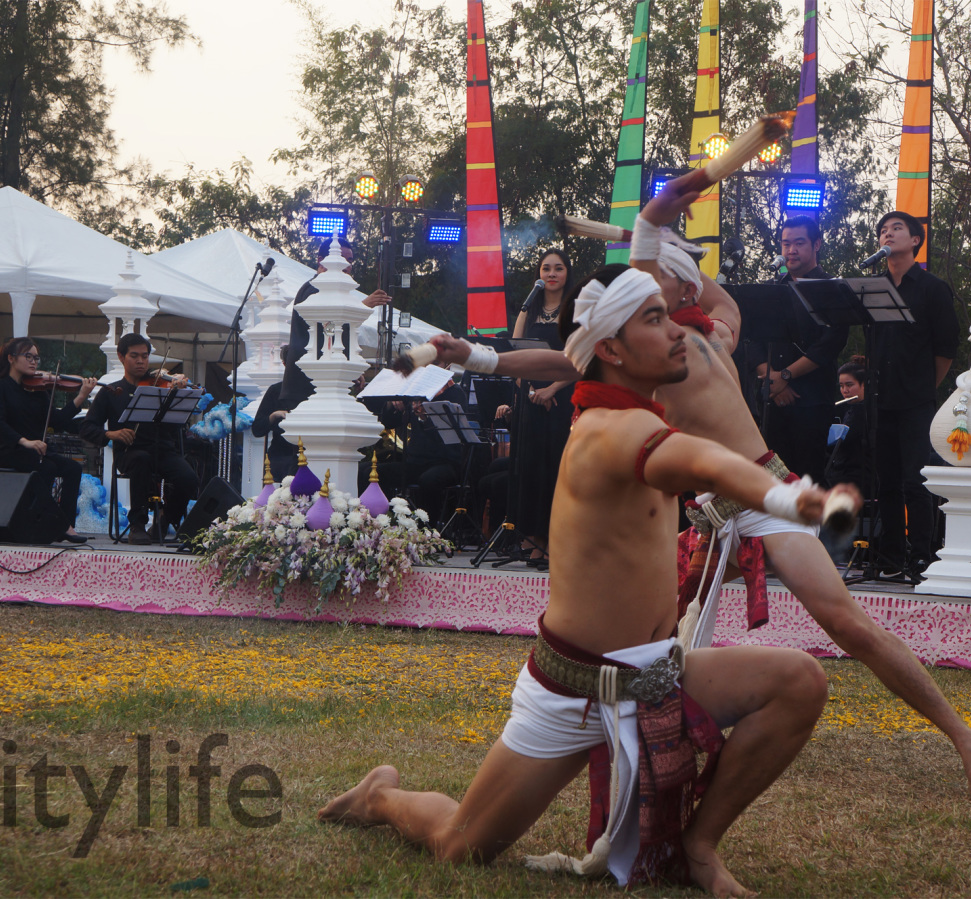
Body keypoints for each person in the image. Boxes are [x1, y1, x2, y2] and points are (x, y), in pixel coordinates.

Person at [424, 174, 971, 810]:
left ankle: (966, 740)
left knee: (848, 624)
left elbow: (681, 294)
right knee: (651, 640)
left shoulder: (705, 338)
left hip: (763, 495)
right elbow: (569, 359)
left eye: (658, 282)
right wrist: (479, 358)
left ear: (681, 289)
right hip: (708, 512)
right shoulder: (667, 347)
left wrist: (659, 237)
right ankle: (634, 760)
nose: (643, 290)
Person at [321, 254, 841, 896]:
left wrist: (479, 357)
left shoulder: (636, 399)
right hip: (571, 688)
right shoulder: (611, 431)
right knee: (460, 846)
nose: (677, 329)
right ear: (614, 351)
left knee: (798, 682)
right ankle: (379, 796)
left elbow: (567, 358)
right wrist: (787, 496)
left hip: (656, 675)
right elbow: (704, 463)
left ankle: (698, 847)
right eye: (655, 319)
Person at [867, 211, 961, 577]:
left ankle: (922, 554)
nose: (887, 234)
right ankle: (890, 556)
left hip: (916, 399)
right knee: (886, 481)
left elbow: (946, 346)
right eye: (882, 230)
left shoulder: (932, 288)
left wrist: (924, 386)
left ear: (915, 240)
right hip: (880, 397)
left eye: (896, 228)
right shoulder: (873, 286)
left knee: (915, 479)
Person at [749, 216, 847, 483]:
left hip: (812, 399)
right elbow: (752, 339)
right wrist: (772, 379)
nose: (791, 250)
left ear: (816, 244)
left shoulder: (832, 288)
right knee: (770, 480)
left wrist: (786, 376)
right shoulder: (772, 288)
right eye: (786, 244)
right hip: (770, 399)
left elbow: (831, 343)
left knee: (807, 478)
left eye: (799, 243)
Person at [80, 333, 200, 546]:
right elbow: (87, 427)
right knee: (141, 459)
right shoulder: (111, 392)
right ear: (121, 357)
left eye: (144, 356)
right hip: (129, 453)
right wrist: (110, 434)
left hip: (163, 451)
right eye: (134, 356)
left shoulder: (161, 388)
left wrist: (177, 396)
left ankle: (165, 520)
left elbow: (175, 427)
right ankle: (137, 524)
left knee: (189, 477)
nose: (141, 361)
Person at [0, 337, 96, 543]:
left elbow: (58, 421)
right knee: (47, 468)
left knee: (73, 468)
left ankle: (65, 525)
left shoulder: (37, 389)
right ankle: (53, 524)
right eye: (28, 356)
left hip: (38, 451)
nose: (33, 362)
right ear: (11, 358)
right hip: (12, 450)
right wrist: (24, 441)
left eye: (36, 358)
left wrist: (81, 396)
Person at [509, 248, 577, 564]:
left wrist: (551, 390)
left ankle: (553, 541)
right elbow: (514, 352)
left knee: (555, 470)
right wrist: (532, 391)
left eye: (558, 268)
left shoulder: (575, 310)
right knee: (531, 470)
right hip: (531, 400)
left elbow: (581, 358)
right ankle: (532, 536)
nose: (551, 274)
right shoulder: (530, 308)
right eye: (546, 268)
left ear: (567, 273)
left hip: (562, 400)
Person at [357, 380, 468, 524]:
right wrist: (393, 404)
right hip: (415, 461)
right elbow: (389, 422)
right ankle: (377, 522)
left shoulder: (454, 393)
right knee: (370, 472)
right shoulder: (416, 389)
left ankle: (428, 528)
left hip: (446, 461)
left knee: (429, 480)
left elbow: (452, 435)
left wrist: (425, 418)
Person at [290, 237, 391, 359]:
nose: (346, 266)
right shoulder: (314, 290)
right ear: (321, 261)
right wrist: (361, 307)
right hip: (314, 367)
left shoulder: (331, 290)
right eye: (341, 259)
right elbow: (330, 328)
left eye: (349, 261)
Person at [250, 344, 316, 482]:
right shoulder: (275, 390)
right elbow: (257, 428)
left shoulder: (316, 390)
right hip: (281, 457)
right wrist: (273, 416)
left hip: (311, 454)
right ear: (285, 364)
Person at [825, 359, 872, 494]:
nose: (845, 391)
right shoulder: (848, 409)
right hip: (843, 473)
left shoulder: (863, 411)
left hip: (856, 477)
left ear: (864, 385)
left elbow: (845, 440)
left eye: (849, 385)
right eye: (841, 386)